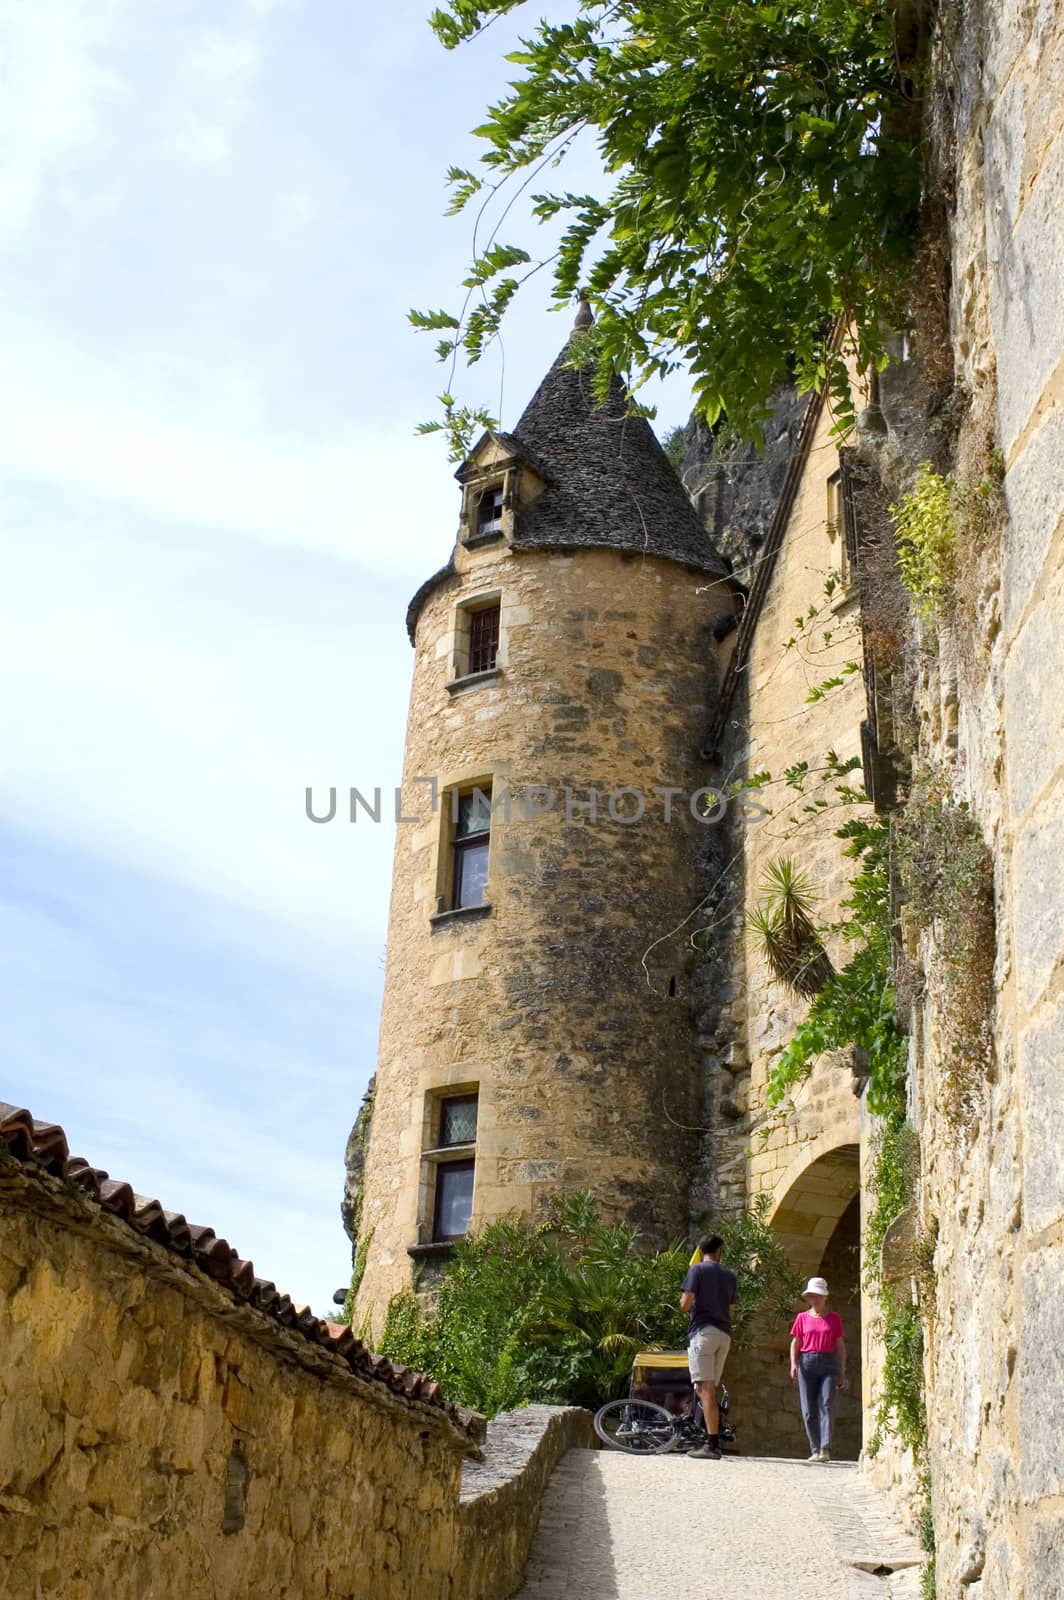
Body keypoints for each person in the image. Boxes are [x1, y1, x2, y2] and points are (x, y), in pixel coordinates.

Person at [680, 1233, 737, 1461]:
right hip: (724, 1334)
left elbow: (685, 1305)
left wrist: (685, 1303)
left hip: (703, 1333)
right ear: (719, 1251)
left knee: (704, 1389)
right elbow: (732, 1312)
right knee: (709, 1388)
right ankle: (709, 1436)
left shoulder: (697, 1270)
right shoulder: (730, 1275)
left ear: (702, 1250)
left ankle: (712, 1444)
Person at [790, 1276, 847, 1462]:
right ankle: (815, 1449)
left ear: (825, 1297)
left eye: (819, 1296)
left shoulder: (834, 1319)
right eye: (812, 1296)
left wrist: (842, 1369)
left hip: (828, 1363)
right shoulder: (802, 1318)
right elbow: (796, 1342)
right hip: (806, 1362)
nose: (816, 1299)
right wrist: (793, 1363)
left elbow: (840, 1345)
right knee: (808, 1410)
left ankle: (825, 1448)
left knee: (826, 1404)